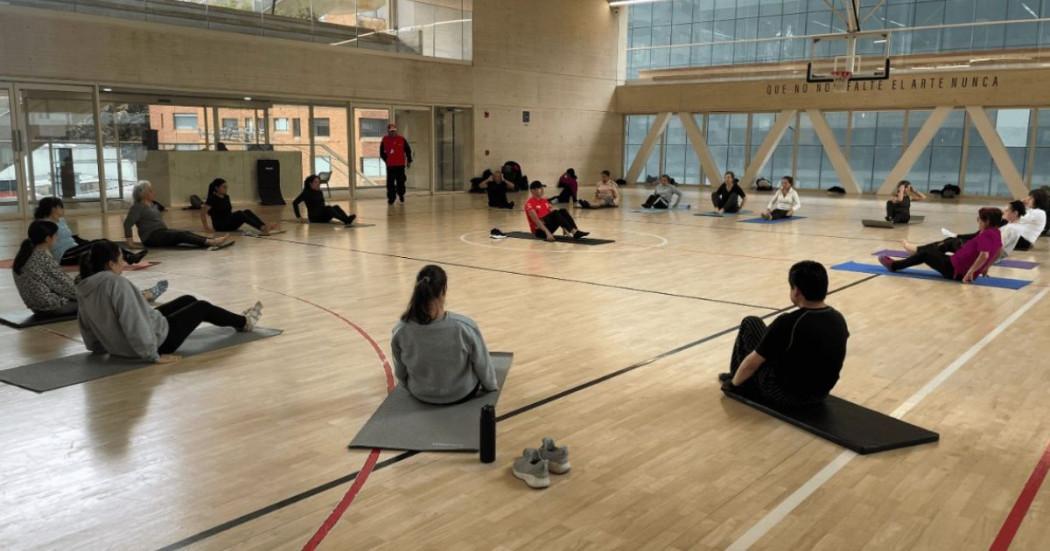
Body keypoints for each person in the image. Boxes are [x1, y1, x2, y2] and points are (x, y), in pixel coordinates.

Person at [76, 240, 263, 364]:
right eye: (121, 260)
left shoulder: (84, 286)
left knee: (187, 300)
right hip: (157, 343)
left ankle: (240, 321)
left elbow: (85, 323)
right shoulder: (116, 283)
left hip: (117, 346)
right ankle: (245, 323)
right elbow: (132, 321)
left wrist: (98, 347)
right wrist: (152, 355)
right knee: (202, 307)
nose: (124, 264)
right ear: (110, 264)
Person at [720, 261, 849, 407]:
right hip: (820, 393)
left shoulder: (789, 322)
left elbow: (753, 362)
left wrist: (732, 386)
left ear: (796, 292)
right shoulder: (838, 318)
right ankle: (739, 376)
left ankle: (737, 378)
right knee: (780, 343)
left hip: (784, 394)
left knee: (751, 323)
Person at [391, 265, 498, 405]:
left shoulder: (401, 329)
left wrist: (410, 386)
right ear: (443, 290)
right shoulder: (464, 326)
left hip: (420, 393)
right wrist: (491, 387)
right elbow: (482, 364)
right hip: (462, 393)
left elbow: (400, 371)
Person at [879, 207, 1003, 283]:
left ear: (986, 222)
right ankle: (913, 251)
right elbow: (998, 250)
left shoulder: (986, 234)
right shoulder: (996, 233)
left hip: (956, 270)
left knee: (926, 254)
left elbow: (984, 255)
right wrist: (986, 268)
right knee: (938, 248)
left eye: (979, 220)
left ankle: (894, 266)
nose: (978, 222)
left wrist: (970, 272)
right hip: (955, 264)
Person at [34, 197, 147, 266]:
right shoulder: (44, 224)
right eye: (60, 207)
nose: (63, 210)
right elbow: (40, 243)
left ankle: (128, 257)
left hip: (74, 248)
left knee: (102, 242)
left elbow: (71, 237)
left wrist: (86, 242)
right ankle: (127, 258)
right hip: (64, 255)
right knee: (99, 244)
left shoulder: (61, 220)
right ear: (53, 209)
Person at [124, 181, 232, 249]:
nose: (153, 192)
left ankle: (210, 240)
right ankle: (211, 242)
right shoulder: (137, 207)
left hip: (161, 232)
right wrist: (130, 243)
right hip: (151, 237)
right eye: (151, 191)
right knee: (181, 236)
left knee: (184, 233)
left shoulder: (152, 204)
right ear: (144, 193)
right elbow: (127, 224)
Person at [12, 220, 78, 317]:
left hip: (35, 307)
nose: (57, 238)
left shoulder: (24, 255)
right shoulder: (43, 258)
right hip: (52, 307)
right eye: (55, 235)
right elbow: (66, 286)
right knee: (94, 302)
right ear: (48, 238)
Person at [932, 201, 1025, 260]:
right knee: (950, 241)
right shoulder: (1012, 225)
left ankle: (930, 252)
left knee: (951, 242)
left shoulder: (1011, 228)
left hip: (990, 255)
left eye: (1007, 210)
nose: (1004, 212)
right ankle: (930, 250)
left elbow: (998, 248)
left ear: (1015, 213)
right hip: (991, 253)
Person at [200, 178, 279, 235]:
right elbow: (203, 213)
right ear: (217, 188)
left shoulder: (226, 197)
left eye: (226, 187)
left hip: (229, 222)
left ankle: (263, 226)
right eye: (224, 187)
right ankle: (262, 228)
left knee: (247, 211)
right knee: (240, 213)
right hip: (221, 226)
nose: (226, 189)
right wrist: (206, 228)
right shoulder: (212, 199)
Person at [524, 181, 589, 241]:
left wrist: (565, 227)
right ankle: (574, 232)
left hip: (548, 225)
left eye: (542, 188)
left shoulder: (544, 201)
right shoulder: (529, 204)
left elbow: (555, 217)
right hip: (540, 231)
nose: (542, 190)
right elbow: (536, 220)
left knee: (563, 211)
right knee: (555, 213)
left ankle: (575, 231)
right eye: (540, 188)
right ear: (533, 190)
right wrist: (548, 233)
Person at [292, 175, 357, 226]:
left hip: (322, 215)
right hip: (314, 218)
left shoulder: (319, 192)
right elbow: (295, 203)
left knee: (336, 207)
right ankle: (345, 220)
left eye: (318, 182)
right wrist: (299, 217)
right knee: (329, 208)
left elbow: (321, 205)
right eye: (315, 182)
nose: (318, 184)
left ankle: (346, 219)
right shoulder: (306, 193)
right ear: (310, 183)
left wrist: (327, 210)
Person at [380, 123, 413, 205]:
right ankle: (391, 198)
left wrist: (409, 160)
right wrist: (386, 160)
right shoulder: (385, 140)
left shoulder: (401, 139)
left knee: (401, 181)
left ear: (396, 131)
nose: (392, 133)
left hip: (400, 165)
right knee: (390, 183)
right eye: (391, 131)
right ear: (388, 131)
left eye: (394, 131)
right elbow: (381, 152)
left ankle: (401, 194)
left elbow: (408, 150)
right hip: (390, 165)